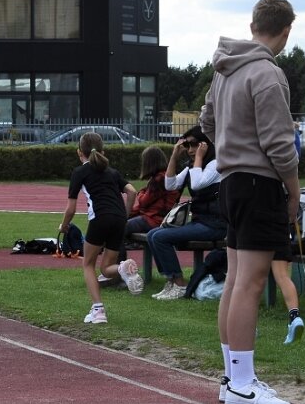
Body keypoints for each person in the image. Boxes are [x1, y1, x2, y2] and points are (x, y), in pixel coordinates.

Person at [200, 0, 300, 404]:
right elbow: (280, 143)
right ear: (285, 30)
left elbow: (206, 121)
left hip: (230, 183)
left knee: (238, 277)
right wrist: (294, 191)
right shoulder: (266, 74)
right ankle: (241, 384)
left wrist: (229, 140)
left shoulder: (224, 70)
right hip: (258, 184)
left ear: (254, 23)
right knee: (250, 283)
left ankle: (233, 377)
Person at [59, 132, 138, 324]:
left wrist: (64, 225)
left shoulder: (79, 172)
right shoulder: (112, 172)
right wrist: (125, 216)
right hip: (119, 219)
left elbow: (70, 208)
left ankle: (98, 310)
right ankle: (122, 267)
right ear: (102, 151)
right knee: (106, 267)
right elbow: (132, 191)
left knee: (88, 264)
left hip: (100, 218)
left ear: (80, 153)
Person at [146, 126, 227, 300]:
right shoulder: (194, 165)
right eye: (187, 146)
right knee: (153, 234)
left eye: (194, 145)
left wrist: (198, 158)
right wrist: (174, 156)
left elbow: (197, 184)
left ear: (205, 145)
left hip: (216, 224)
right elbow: (170, 185)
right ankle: (172, 280)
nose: (190, 150)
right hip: (201, 222)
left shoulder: (216, 164)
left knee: (160, 237)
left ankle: (180, 284)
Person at [119, 145, 180, 259]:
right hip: (156, 218)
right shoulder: (164, 176)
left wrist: (140, 192)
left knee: (120, 228)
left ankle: (119, 262)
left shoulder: (158, 179)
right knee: (121, 221)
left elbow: (144, 201)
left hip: (155, 220)